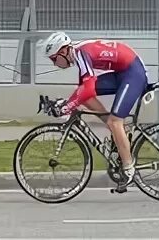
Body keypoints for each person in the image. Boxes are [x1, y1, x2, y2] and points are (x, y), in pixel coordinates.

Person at [42, 32, 149, 188]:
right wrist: (65, 104)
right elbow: (83, 91)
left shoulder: (80, 53)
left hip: (133, 73)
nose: (54, 63)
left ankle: (128, 170)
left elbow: (89, 88)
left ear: (63, 51)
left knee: (115, 122)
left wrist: (65, 107)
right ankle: (118, 134)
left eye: (54, 59)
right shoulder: (78, 53)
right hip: (123, 72)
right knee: (86, 97)